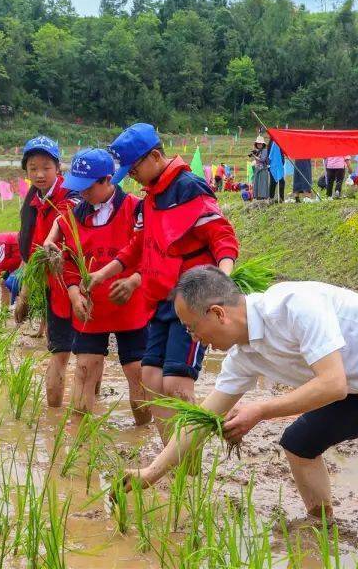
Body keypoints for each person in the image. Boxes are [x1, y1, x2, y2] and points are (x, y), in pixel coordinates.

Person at [125, 267, 358, 569]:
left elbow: (332, 383)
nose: (193, 338)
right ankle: (322, 526)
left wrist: (261, 410)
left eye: (192, 328)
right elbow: (201, 419)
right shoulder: (243, 356)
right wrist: (150, 474)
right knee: (300, 444)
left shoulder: (293, 305)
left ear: (218, 313)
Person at [88, 124, 238, 441]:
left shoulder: (189, 187)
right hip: (161, 299)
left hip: (194, 299)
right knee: (151, 379)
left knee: (177, 384)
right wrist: (104, 274)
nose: (132, 178)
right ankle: (172, 458)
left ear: (155, 156)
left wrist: (223, 279)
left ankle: (190, 464)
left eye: (134, 169)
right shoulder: (150, 200)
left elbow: (222, 235)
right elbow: (138, 246)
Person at [56, 149, 151, 423]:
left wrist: (135, 281)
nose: (81, 193)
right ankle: (78, 441)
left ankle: (142, 435)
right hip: (90, 307)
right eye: (78, 187)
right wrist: (74, 294)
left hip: (130, 305)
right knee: (85, 369)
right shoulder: (73, 217)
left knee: (138, 372)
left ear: (107, 179)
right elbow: (69, 262)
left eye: (87, 187)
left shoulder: (136, 208)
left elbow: (152, 253)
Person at [12, 136, 79, 407]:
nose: (39, 174)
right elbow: (34, 252)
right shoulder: (34, 201)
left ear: (58, 167)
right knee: (61, 350)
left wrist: (25, 295)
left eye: (45, 167)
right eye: (32, 168)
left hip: (80, 282)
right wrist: (24, 294)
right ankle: (54, 420)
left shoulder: (72, 195)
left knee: (89, 354)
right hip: (56, 287)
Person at [250, 136, 271, 200]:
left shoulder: (265, 150)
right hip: (257, 169)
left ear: (263, 144)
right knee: (257, 182)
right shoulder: (259, 151)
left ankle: (263, 197)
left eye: (260, 143)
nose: (259, 144)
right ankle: (258, 196)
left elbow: (262, 159)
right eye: (258, 143)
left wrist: (254, 156)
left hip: (263, 169)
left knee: (262, 183)